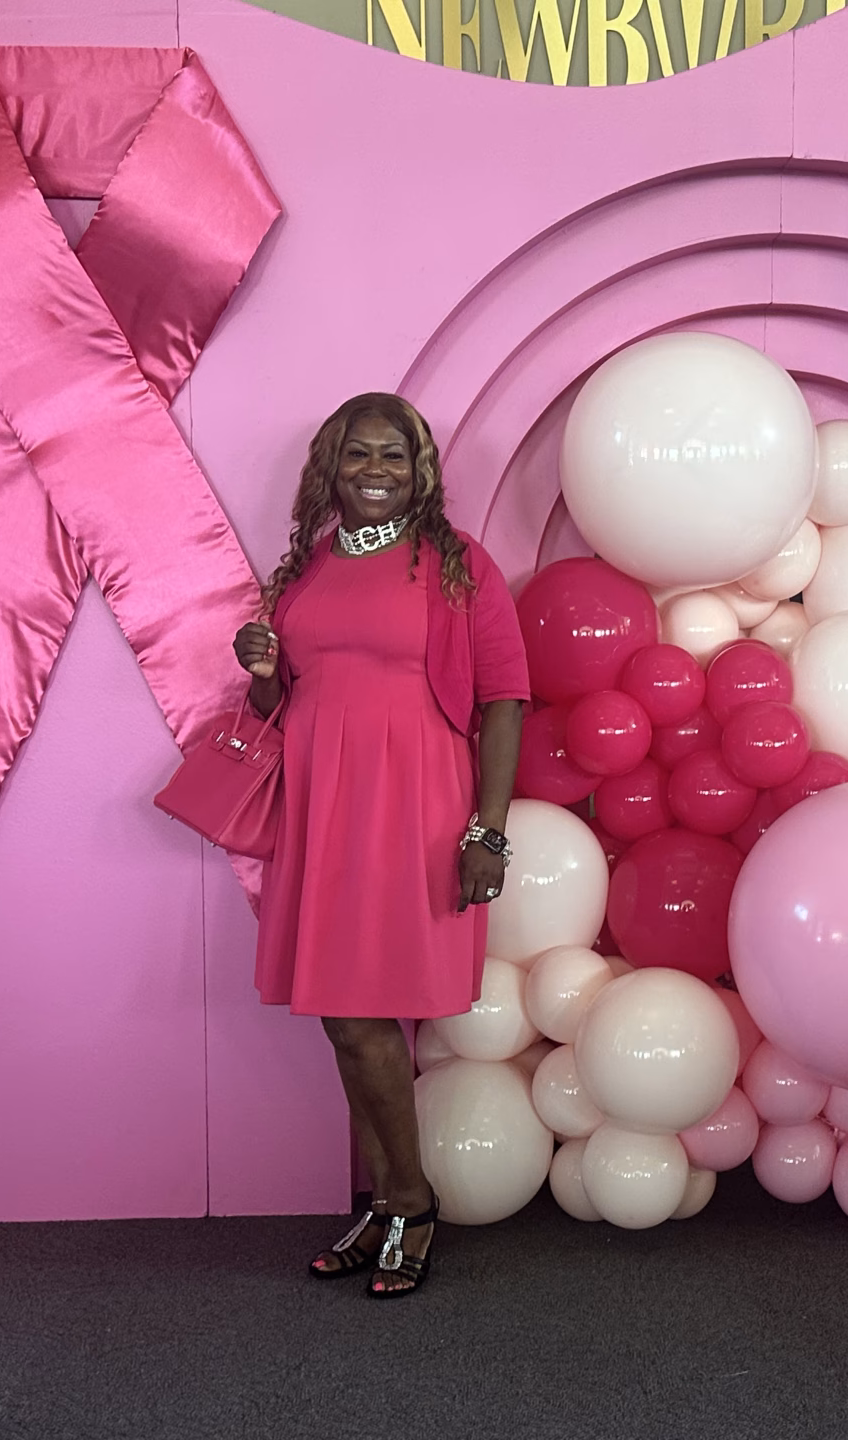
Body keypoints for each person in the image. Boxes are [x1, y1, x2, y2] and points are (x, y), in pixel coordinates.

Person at [233, 393, 528, 1299]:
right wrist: (262, 672)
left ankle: (408, 1203)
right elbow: (283, 703)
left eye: (393, 456)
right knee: (342, 1015)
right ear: (331, 467)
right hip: (324, 812)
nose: (375, 471)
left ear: (419, 469)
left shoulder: (455, 564)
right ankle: (392, 1201)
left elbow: (504, 700)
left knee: (365, 1016)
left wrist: (487, 832)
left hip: (415, 811)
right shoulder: (307, 567)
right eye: (358, 454)